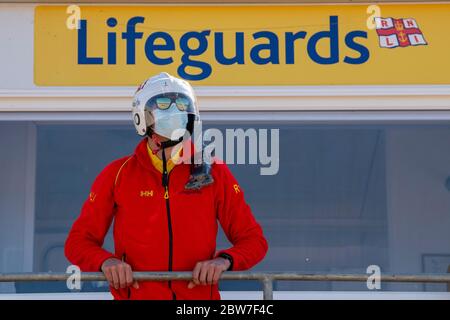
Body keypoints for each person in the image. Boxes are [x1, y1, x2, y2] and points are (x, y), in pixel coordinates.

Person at [64, 72, 268, 300]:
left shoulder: (214, 171)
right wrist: (106, 261)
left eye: (182, 104)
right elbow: (78, 242)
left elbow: (254, 241)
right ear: (143, 116)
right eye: (163, 104)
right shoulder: (118, 174)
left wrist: (223, 261)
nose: (174, 111)